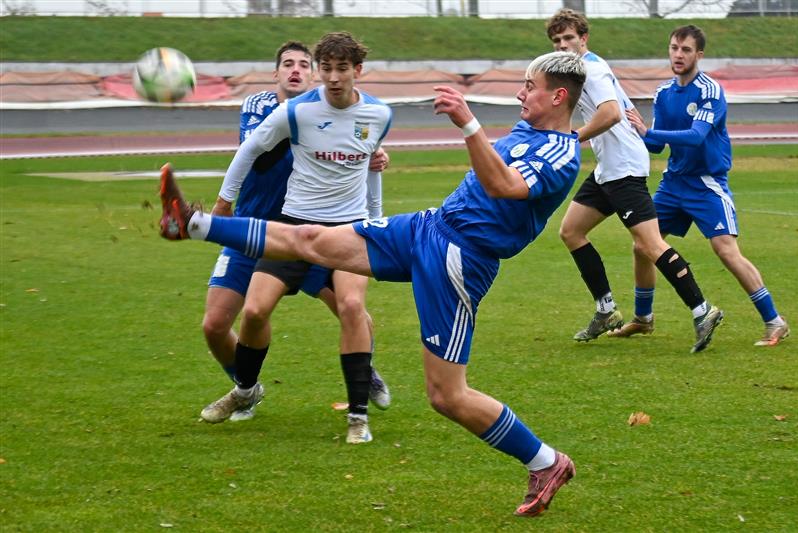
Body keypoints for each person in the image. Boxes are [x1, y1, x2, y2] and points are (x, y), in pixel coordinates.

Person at [160, 50, 584, 518]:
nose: (521, 93)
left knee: (447, 395)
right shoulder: (527, 130)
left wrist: (468, 124)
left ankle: (546, 462)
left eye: (530, 86)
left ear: (558, 96)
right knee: (310, 239)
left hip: (461, 259)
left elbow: (504, 186)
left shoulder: (562, 153)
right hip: (429, 227)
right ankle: (192, 224)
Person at [197, 32, 394, 444]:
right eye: (326, 68)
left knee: (352, 307)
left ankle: (359, 410)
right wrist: (224, 201)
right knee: (249, 313)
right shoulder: (287, 111)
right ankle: (245, 390)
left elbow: (369, 164)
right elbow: (252, 150)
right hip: (284, 229)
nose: (333, 77)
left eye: (341, 69)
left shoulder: (378, 113)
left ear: (357, 71)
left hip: (346, 230)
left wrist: (376, 220)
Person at [546, 9, 723, 353]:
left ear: (583, 39)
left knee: (650, 244)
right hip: (608, 168)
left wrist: (573, 138)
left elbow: (611, 113)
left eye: (568, 38)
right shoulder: (579, 70)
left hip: (624, 167)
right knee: (571, 231)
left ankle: (703, 311)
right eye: (557, 41)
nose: (563, 45)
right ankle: (606, 310)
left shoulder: (592, 69)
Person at [625, 25, 790, 347]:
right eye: (674, 48)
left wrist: (647, 133)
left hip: (706, 184)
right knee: (642, 245)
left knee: (725, 250)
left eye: (686, 50)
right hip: (673, 183)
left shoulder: (709, 90)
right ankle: (643, 319)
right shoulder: (663, 93)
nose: (678, 55)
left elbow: (696, 136)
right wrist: (626, 130)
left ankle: (775, 321)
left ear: (699, 55)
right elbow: (656, 146)